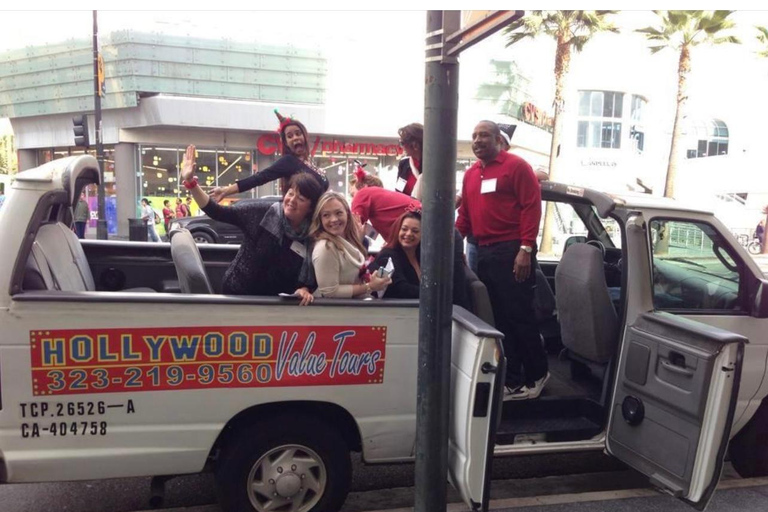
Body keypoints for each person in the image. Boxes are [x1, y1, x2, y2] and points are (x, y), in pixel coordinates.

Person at [456, 120, 548, 401]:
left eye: (484, 135)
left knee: (519, 315)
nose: (477, 140)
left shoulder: (516, 166)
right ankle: (513, 379)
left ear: (499, 140)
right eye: (474, 135)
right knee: (499, 320)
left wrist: (526, 249)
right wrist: (452, 243)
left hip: (512, 251)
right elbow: (466, 218)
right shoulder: (471, 174)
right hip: (482, 252)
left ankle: (537, 375)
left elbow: (532, 207)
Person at [180, 145, 321, 304]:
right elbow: (217, 212)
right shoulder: (261, 213)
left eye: (301, 199)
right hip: (238, 298)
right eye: (290, 193)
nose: (292, 200)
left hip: (280, 307)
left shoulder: (313, 236)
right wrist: (191, 182)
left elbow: (311, 276)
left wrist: (305, 288)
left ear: (310, 208)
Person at [211, 111, 329, 202]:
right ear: (286, 143)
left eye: (298, 133)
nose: (295, 138)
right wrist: (225, 191)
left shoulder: (309, 162)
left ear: (305, 136)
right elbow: (260, 178)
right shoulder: (289, 162)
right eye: (290, 136)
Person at [371, 209, 470, 309]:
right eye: (404, 229)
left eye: (415, 231)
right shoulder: (387, 255)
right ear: (398, 230)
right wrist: (435, 294)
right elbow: (400, 288)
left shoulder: (424, 256)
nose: (409, 234)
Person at [310, 192, 391, 299]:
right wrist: (369, 286)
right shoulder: (325, 248)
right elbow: (330, 292)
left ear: (347, 214)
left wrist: (373, 280)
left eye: (338, 213)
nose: (333, 219)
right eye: (326, 215)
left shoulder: (347, 241)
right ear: (320, 220)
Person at [350, 166, 420, 243]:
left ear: (364, 187)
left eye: (353, 195)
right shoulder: (383, 202)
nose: (353, 201)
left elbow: (352, 227)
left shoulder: (363, 193)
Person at [395, 122, 423, 198]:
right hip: (406, 207)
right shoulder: (404, 163)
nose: (401, 147)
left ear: (415, 145)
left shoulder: (432, 165)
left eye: (402, 143)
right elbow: (398, 191)